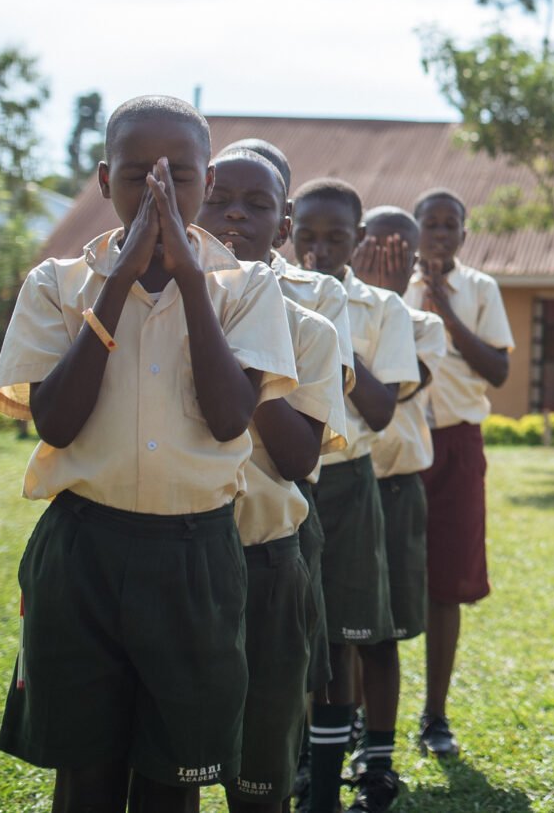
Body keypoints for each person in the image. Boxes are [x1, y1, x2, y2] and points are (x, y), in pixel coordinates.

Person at [0, 96, 298, 812]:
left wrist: (191, 279)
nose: (157, 195)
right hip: (83, 549)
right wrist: (119, 281)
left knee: (174, 778)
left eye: (179, 178)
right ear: (103, 181)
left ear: (207, 183)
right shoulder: (57, 284)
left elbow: (229, 420)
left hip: (194, 557)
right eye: (135, 177)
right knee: (86, 774)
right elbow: (57, 424)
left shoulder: (246, 288)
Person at [195, 148, 347, 813]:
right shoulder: (154, 310)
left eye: (258, 206)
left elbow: (295, 460)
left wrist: (243, 356)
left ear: (283, 227)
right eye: (218, 198)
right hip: (177, 553)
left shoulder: (308, 327)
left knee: (261, 772)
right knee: (172, 761)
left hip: (266, 561)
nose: (234, 213)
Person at [292, 177, 420, 813]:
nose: (318, 249)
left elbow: (380, 408)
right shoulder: (269, 292)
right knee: (288, 630)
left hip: (347, 481)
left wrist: (331, 329)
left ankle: (326, 787)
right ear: (289, 229)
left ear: (359, 238)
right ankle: (298, 764)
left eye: (336, 237)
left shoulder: (382, 309)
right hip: (280, 479)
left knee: (344, 633)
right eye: (306, 234)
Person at [346, 206, 449, 812]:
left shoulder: (419, 322)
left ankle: (374, 747)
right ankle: (339, 730)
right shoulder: (323, 305)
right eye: (377, 247)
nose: (390, 259)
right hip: (336, 483)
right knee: (334, 625)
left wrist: (379, 297)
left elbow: (384, 395)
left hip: (393, 484)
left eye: (401, 250)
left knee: (380, 622)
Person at [408, 189, 515, 757]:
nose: (441, 234)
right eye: (431, 223)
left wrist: (446, 313)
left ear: (464, 235)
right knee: (378, 578)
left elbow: (498, 369)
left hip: (457, 443)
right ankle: (358, 721)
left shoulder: (480, 290)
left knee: (446, 581)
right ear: (414, 228)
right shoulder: (390, 284)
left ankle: (435, 716)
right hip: (397, 441)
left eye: (452, 225)